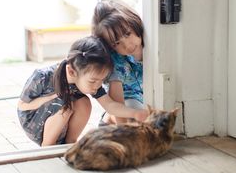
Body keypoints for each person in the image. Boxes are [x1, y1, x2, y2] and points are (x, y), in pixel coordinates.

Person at [17, 36, 148, 146]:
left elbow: (110, 105)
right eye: (93, 81)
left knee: (84, 102)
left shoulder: (90, 81)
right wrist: (51, 98)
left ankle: (70, 142)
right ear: (71, 71)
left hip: (60, 117)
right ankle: (48, 147)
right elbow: (22, 105)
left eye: (101, 80)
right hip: (33, 121)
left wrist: (135, 113)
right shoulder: (42, 76)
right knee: (64, 105)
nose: (98, 85)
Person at [92, 0, 144, 125]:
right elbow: (118, 104)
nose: (127, 45)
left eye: (127, 34)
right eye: (116, 43)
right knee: (133, 110)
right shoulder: (116, 62)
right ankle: (108, 122)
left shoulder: (154, 43)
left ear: (134, 22)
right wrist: (124, 133)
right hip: (127, 108)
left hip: (147, 101)